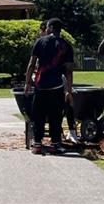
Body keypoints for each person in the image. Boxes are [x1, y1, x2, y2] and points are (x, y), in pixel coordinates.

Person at [24, 17, 74, 154]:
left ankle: (37, 144)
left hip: (40, 85)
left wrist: (28, 82)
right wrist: (68, 91)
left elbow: (31, 64)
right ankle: (55, 144)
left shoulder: (40, 42)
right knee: (55, 116)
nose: (45, 30)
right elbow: (69, 70)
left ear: (51, 28)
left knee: (38, 115)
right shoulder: (66, 45)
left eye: (46, 27)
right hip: (57, 86)